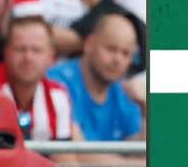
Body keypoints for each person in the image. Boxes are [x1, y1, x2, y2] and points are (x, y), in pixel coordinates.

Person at [0, 16, 73, 141]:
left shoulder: (58, 96)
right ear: (5, 52)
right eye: (20, 49)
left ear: (51, 57)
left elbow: (63, 152)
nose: (28, 57)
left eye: (36, 50)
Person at [47, 12, 140, 142]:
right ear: (89, 44)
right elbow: (76, 151)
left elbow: (140, 148)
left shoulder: (127, 93)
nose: (117, 60)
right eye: (111, 49)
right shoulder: (57, 82)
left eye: (126, 53)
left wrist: (147, 110)